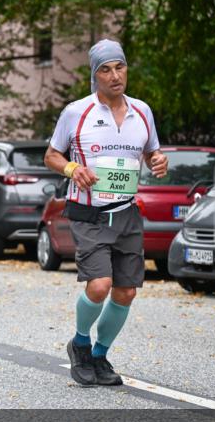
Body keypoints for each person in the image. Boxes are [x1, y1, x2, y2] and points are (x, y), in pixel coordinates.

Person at [44, 39, 168, 387]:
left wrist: (158, 161)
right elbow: (51, 155)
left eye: (120, 67)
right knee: (99, 285)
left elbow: (152, 154)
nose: (115, 75)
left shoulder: (142, 111)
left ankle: (100, 356)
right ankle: (80, 344)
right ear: (95, 75)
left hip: (126, 213)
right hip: (89, 213)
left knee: (126, 292)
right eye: (106, 69)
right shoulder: (76, 112)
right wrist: (72, 169)